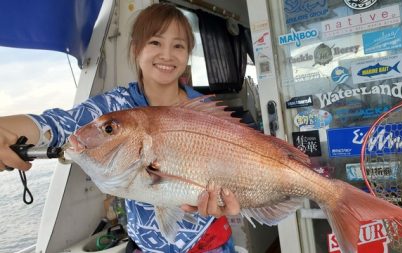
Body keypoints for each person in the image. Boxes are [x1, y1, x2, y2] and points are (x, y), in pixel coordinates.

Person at [0, 3, 240, 253]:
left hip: (211, 243)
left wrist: (238, 198)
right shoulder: (117, 106)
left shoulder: (205, 111)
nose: (167, 54)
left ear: (188, 53)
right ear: (136, 49)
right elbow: (61, 123)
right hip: (146, 247)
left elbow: (240, 168)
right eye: (155, 42)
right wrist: (8, 129)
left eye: (178, 45)